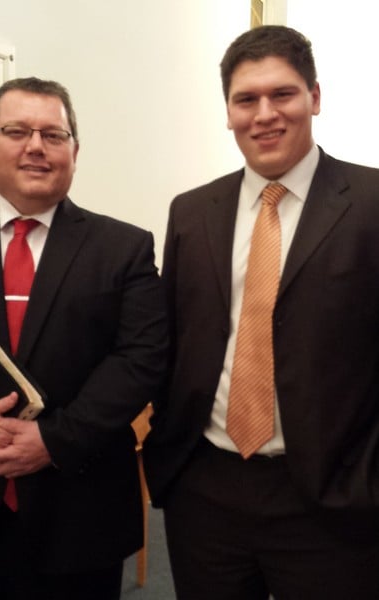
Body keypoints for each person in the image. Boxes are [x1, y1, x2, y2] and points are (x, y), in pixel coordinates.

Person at [143, 24, 379, 600]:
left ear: (314, 98)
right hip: (206, 489)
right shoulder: (192, 212)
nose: (264, 114)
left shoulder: (371, 204)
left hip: (331, 495)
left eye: (283, 94)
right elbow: (172, 341)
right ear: (228, 112)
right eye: (246, 99)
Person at [0, 76, 168, 600]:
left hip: (79, 510)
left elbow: (141, 358)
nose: (36, 146)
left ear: (74, 151)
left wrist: (55, 440)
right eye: (16, 131)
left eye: (53, 135)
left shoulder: (124, 247)